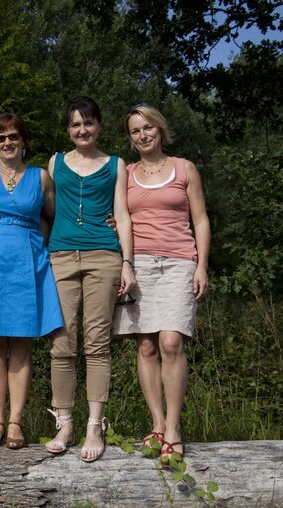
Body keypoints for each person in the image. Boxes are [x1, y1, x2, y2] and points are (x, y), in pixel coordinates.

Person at [0, 113, 63, 450]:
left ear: (23, 140)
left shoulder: (41, 177)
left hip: (26, 267)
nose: (7, 143)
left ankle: (15, 422)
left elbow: (54, 220)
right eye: (1, 138)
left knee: (20, 345)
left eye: (13, 137)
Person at [114, 104, 210, 463]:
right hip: (138, 265)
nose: (143, 135)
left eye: (148, 128)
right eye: (135, 130)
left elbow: (200, 220)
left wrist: (202, 266)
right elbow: (121, 215)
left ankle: (173, 427)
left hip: (179, 263)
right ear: (130, 138)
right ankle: (156, 424)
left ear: (160, 130)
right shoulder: (125, 172)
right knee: (146, 347)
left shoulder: (184, 168)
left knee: (171, 342)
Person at [45, 97, 136, 462]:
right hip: (62, 256)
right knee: (61, 343)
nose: (82, 130)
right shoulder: (54, 162)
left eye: (88, 123)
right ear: (68, 129)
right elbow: (47, 210)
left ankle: (94, 425)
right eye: (74, 124)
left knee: (97, 343)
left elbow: (123, 215)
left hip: (104, 255)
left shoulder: (116, 164)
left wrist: (127, 262)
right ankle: (64, 422)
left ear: (99, 125)